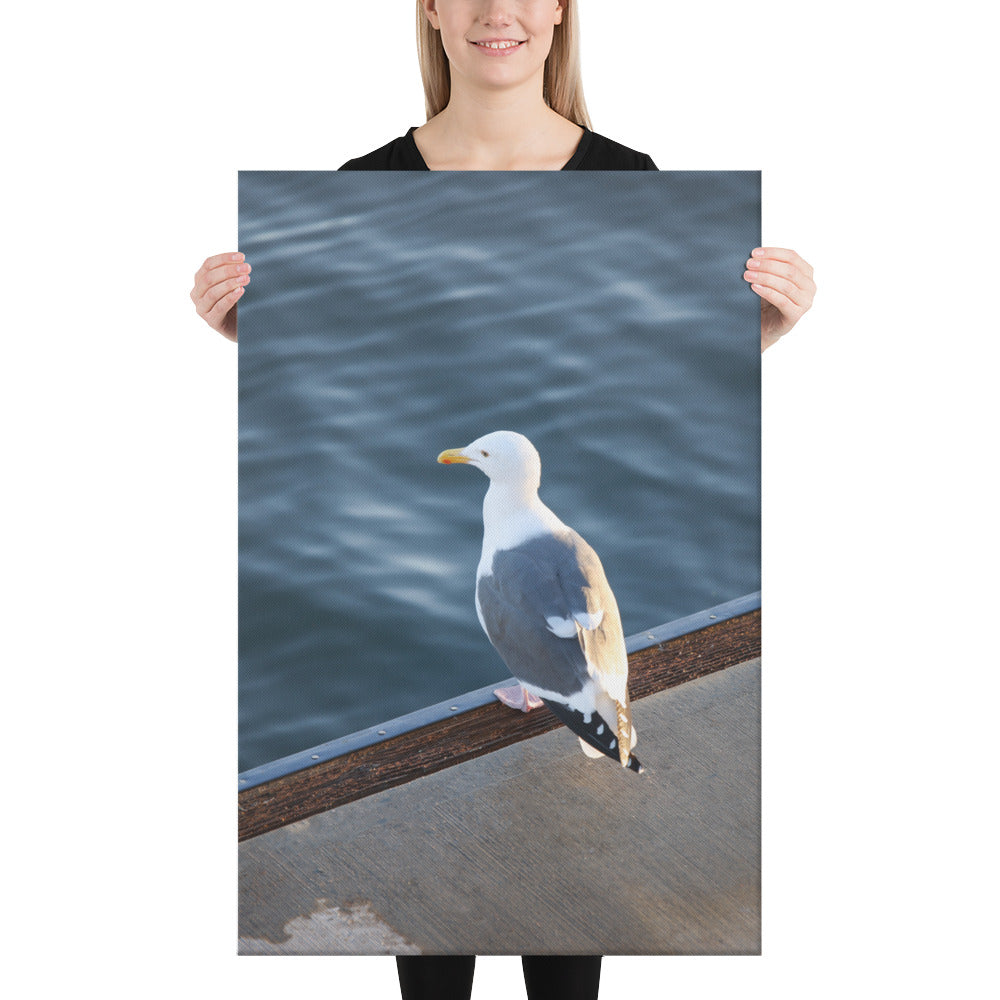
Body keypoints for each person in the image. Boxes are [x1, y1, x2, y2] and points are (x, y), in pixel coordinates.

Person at [204, 3, 815, 997]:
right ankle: (583, 712)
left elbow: (647, 376)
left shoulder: (630, 181)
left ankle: (562, 705)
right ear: (431, 12)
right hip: (584, 638)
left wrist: (757, 336)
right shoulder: (366, 188)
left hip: (556, 661)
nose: (499, 8)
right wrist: (253, 339)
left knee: (562, 933)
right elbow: (359, 368)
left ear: (562, 11)